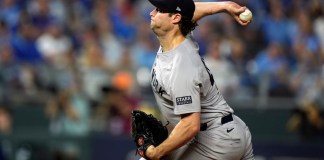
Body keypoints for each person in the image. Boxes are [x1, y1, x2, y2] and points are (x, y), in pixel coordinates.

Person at [142, 0, 254, 159]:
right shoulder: (179, 35)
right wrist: (225, 6)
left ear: (174, 19)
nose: (151, 13)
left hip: (215, 141)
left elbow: (190, 125)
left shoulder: (181, 66)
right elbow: (189, 10)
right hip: (225, 131)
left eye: (159, 10)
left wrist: (156, 152)